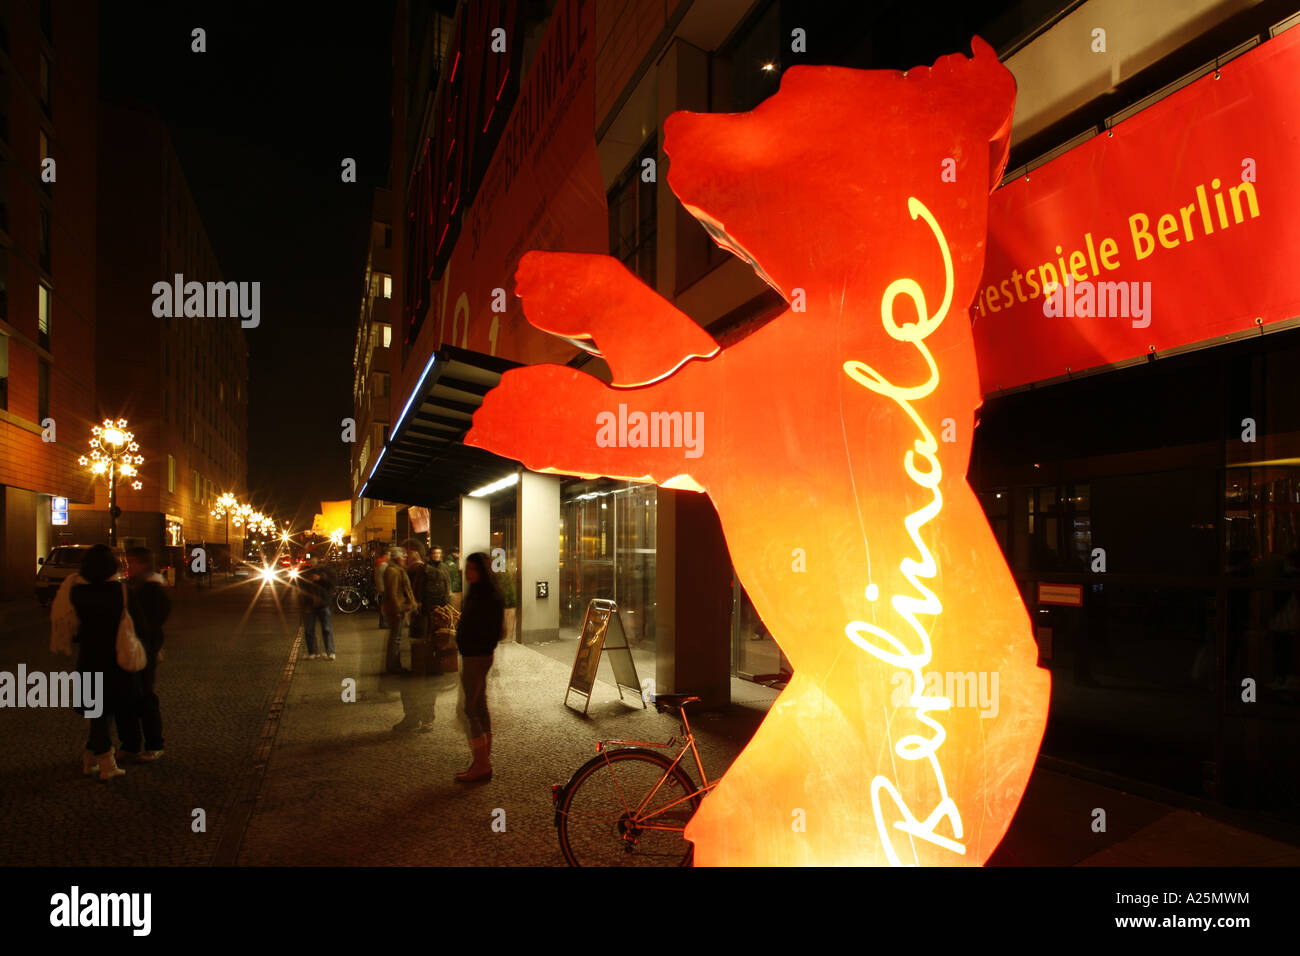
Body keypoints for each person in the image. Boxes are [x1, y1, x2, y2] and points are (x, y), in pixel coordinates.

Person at [67, 545, 145, 781]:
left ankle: (90, 757)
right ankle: (106, 763)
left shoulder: (77, 593)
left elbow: (73, 630)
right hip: (116, 659)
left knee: (97, 710)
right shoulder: (121, 592)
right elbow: (139, 624)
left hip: (90, 658)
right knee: (106, 711)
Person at [454, 552, 505, 783]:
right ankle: (483, 757)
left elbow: (491, 631)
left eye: (472, 569)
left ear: (481, 571)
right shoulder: (478, 592)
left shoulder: (488, 596)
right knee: (479, 705)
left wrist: (472, 643)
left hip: (477, 656)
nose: (468, 573)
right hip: (472, 654)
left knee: (471, 709)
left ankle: (482, 763)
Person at [117, 547, 171, 762]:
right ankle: (131, 744)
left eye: (132, 562)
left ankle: (154, 744)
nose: (128, 566)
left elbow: (153, 623)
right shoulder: (135, 587)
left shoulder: (151, 590)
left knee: (144, 696)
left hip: (144, 650)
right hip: (132, 647)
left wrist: (147, 642)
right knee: (127, 698)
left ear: (144, 564)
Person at [381, 546, 417, 673]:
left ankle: (395, 665)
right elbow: (392, 593)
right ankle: (393, 666)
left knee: (396, 638)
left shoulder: (396, 570)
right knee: (395, 639)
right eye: (403, 556)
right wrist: (397, 610)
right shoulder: (393, 571)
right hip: (397, 609)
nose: (405, 558)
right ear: (397, 558)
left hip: (399, 607)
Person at [298, 557, 338, 661]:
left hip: (324, 603)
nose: (311, 561)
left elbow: (332, 584)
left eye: (313, 559)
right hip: (310, 604)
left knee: (327, 629)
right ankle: (313, 652)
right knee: (309, 629)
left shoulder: (327, 570)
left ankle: (330, 652)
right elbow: (301, 587)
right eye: (309, 559)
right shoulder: (305, 572)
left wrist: (320, 579)